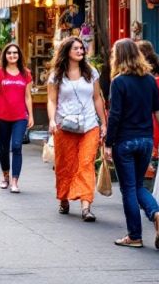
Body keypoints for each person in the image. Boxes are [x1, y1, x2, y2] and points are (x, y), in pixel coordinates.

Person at [105, 38, 159, 250]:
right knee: (138, 185)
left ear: (119, 56)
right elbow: (158, 110)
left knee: (129, 189)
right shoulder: (150, 80)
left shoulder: (118, 82)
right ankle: (156, 214)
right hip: (145, 140)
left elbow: (115, 115)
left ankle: (135, 235)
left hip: (124, 141)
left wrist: (108, 143)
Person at [47, 36, 106, 222]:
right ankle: (63, 198)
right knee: (65, 165)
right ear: (67, 52)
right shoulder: (56, 75)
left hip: (89, 125)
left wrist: (104, 122)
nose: (81, 51)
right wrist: (51, 120)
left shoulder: (91, 73)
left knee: (86, 163)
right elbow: (51, 100)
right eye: (76, 49)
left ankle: (86, 205)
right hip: (64, 125)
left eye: (82, 48)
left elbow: (97, 98)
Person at [0, 43, 33, 193]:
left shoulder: (26, 73)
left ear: (19, 55)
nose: (12, 55)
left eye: (15, 53)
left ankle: (15, 181)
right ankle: (5, 176)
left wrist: (31, 115)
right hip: (1, 116)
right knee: (3, 148)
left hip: (20, 116)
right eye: (9, 53)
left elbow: (28, 96)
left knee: (16, 146)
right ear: (5, 55)